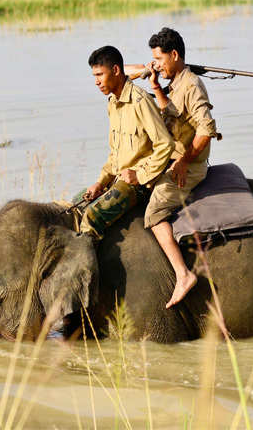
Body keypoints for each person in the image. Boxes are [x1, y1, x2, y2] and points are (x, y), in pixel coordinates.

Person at [144, 27, 219, 308]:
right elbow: (172, 115)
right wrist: (154, 85)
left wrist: (185, 161)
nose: (157, 64)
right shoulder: (175, 83)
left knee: (153, 213)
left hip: (189, 165)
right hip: (172, 158)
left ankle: (183, 274)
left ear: (174, 55)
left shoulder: (192, 85)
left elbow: (206, 128)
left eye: (160, 59)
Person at [79, 45, 174, 243]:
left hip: (138, 184)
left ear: (115, 71)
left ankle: (88, 273)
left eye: (100, 75)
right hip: (118, 178)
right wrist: (101, 181)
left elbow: (165, 144)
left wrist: (139, 176)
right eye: (94, 76)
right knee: (78, 204)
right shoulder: (113, 102)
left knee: (92, 217)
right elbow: (115, 153)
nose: (96, 82)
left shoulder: (140, 101)